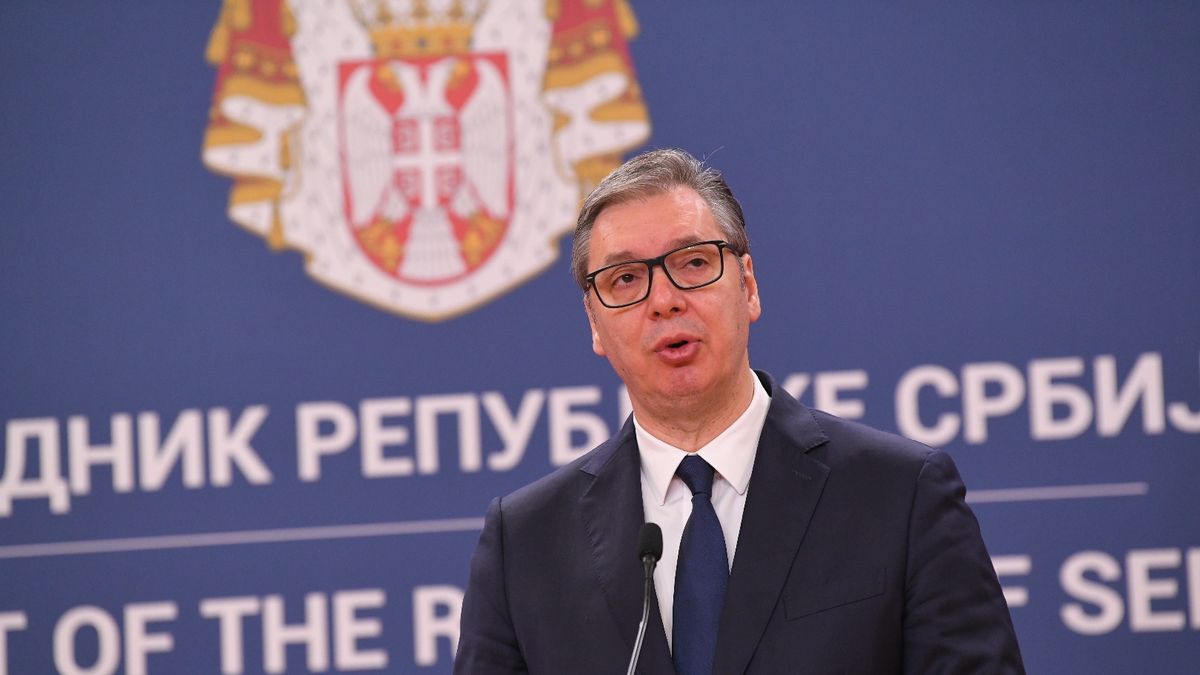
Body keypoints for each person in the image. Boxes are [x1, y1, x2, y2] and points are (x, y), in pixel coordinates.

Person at [454, 148, 1025, 674]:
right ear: (595, 325)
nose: (664, 299)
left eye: (694, 263)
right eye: (626, 279)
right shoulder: (525, 543)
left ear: (748, 286)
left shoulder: (899, 494)